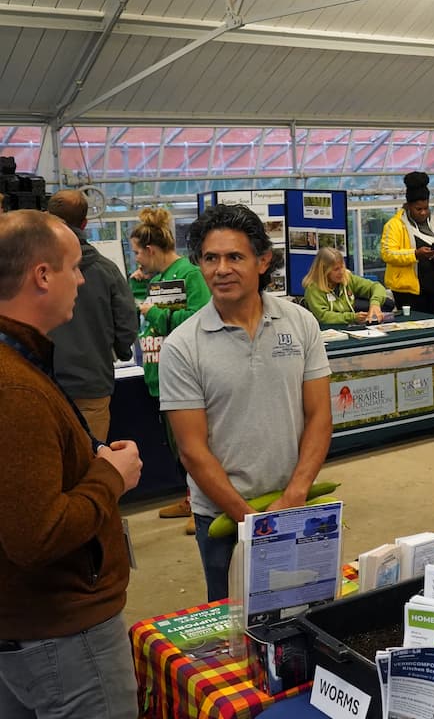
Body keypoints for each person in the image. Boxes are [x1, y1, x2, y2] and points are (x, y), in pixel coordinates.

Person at [0, 210, 143, 719]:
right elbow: (36, 535)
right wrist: (110, 477)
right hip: (63, 635)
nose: (83, 279)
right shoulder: (14, 386)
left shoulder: (20, 363)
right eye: (74, 267)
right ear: (42, 275)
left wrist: (86, 460)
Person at [159, 204, 333, 601]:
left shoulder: (300, 323)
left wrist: (295, 495)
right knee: (235, 622)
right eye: (210, 258)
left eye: (235, 256)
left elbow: (320, 416)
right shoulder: (183, 347)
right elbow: (192, 450)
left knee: (304, 608)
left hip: (295, 502)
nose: (221, 269)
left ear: (262, 261)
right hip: (222, 516)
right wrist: (248, 518)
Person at [129, 206, 211, 528]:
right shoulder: (158, 277)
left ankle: (204, 503)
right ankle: (192, 498)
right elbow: (140, 305)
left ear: (150, 249)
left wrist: (156, 315)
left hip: (183, 378)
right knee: (177, 448)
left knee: (193, 445)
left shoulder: (189, 274)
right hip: (159, 375)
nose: (135, 259)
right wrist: (139, 284)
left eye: (137, 253)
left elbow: (198, 319)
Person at [46, 189, 139, 443]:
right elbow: (127, 322)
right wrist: (122, 352)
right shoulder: (107, 270)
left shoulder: (31, 269)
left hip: (43, 384)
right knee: (91, 461)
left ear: (49, 219)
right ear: (85, 223)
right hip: (92, 381)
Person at [380, 171, 434, 315]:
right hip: (407, 291)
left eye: (426, 208)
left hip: (433, 287)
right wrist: (415, 254)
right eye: (418, 209)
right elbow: (387, 254)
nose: (423, 213)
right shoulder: (395, 225)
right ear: (408, 206)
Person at [302, 246, 388, 324]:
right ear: (324, 271)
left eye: (342, 266)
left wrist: (375, 304)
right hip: (326, 331)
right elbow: (324, 316)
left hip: (350, 325)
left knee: (387, 303)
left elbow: (376, 286)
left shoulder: (347, 277)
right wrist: (352, 317)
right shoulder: (313, 289)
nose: (341, 272)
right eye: (336, 269)